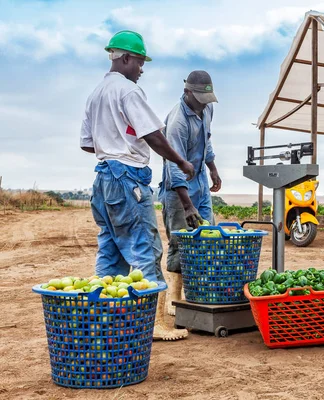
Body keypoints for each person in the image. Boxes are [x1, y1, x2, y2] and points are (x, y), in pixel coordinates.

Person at [80, 30, 192, 341]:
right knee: (146, 247)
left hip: (102, 177)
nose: (142, 69)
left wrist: (114, 140)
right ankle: (151, 323)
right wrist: (181, 163)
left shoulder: (96, 94)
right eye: (140, 62)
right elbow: (154, 135)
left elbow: (88, 144)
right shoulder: (128, 92)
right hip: (128, 177)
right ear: (126, 58)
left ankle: (103, 315)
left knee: (111, 249)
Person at [159, 70, 222, 315]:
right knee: (180, 242)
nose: (204, 105)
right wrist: (187, 206)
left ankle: (199, 294)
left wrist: (213, 169)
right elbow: (173, 164)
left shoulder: (207, 109)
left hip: (201, 185)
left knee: (209, 237)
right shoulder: (177, 121)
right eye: (200, 99)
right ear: (187, 92)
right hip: (178, 192)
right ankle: (174, 302)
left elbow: (207, 141)